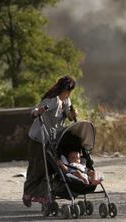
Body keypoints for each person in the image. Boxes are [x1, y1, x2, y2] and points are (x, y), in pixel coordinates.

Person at [23, 76, 77, 207]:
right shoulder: (52, 100)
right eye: (68, 90)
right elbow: (34, 112)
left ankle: (43, 195)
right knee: (37, 168)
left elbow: (69, 116)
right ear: (63, 89)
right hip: (38, 139)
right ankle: (28, 194)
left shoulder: (66, 101)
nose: (69, 93)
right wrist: (39, 112)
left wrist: (73, 115)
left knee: (48, 168)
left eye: (70, 91)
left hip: (52, 140)